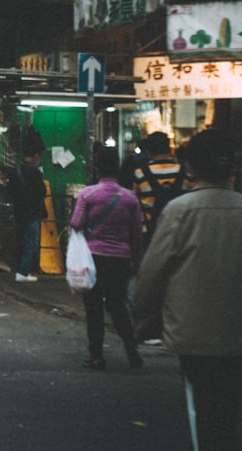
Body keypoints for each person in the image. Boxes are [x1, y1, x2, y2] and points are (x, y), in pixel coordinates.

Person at [133, 129, 242, 451]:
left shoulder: (180, 211)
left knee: (207, 412)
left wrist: (142, 323)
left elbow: (151, 274)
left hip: (195, 333)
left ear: (192, 166)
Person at [68, 147, 143, 370]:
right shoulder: (130, 198)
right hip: (120, 259)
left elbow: (76, 223)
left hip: (93, 259)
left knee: (93, 309)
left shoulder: (88, 194)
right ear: (118, 169)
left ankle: (97, 356)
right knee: (117, 305)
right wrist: (136, 262)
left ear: (97, 167)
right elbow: (136, 233)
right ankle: (131, 348)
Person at [132, 131, 191, 252]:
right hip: (180, 231)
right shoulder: (185, 172)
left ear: (149, 151)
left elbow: (135, 203)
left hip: (149, 232)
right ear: (169, 149)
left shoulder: (140, 173)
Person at [8, 135, 47, 283]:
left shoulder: (15, 170)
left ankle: (19, 269)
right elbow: (42, 192)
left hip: (18, 211)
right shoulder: (35, 172)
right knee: (31, 241)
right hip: (32, 212)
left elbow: (9, 190)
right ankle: (23, 272)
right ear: (36, 156)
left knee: (20, 240)